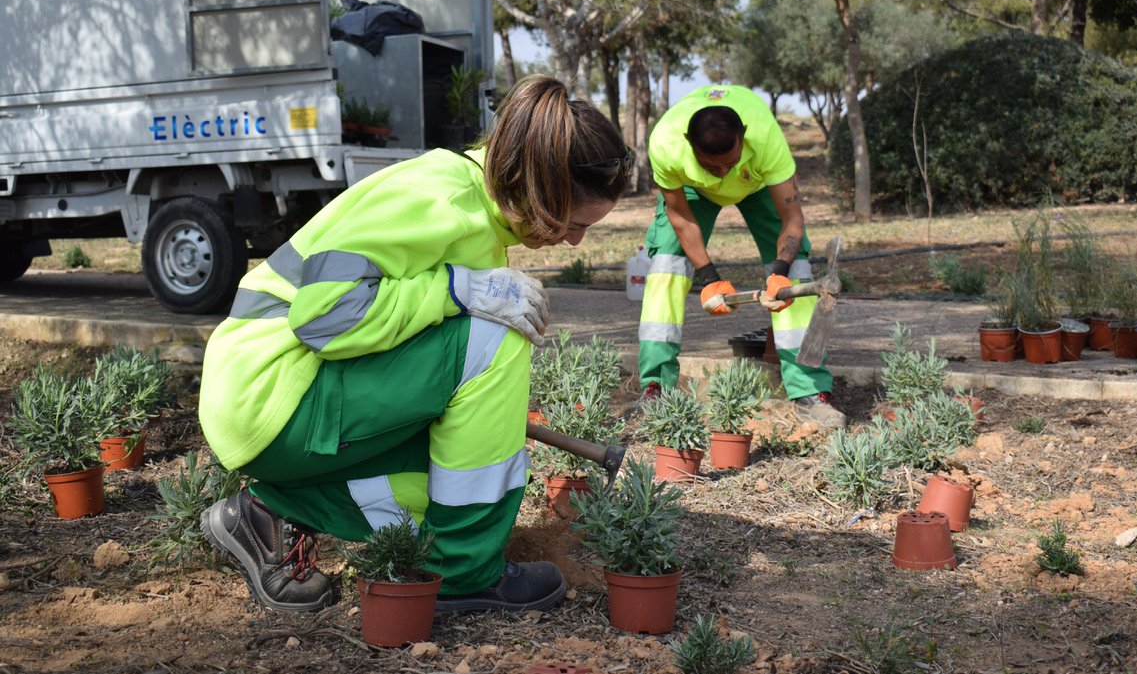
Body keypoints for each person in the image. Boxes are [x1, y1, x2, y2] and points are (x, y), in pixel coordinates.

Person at [197, 75, 630, 614]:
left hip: (288, 403)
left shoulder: (479, 213)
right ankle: (465, 573)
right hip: (271, 394)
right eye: (573, 222)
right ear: (540, 185)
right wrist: (456, 290)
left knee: (444, 496)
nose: (574, 240)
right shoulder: (436, 196)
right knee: (497, 337)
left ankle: (270, 514)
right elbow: (325, 317)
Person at [636, 84, 844, 428]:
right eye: (710, 166)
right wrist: (709, 278)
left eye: (729, 163)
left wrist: (779, 271)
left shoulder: (765, 138)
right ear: (689, 144)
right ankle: (655, 387)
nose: (722, 174)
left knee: (796, 271)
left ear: (743, 137)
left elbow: (792, 219)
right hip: (692, 190)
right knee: (666, 266)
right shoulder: (666, 144)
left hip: (757, 184)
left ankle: (809, 391)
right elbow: (681, 219)